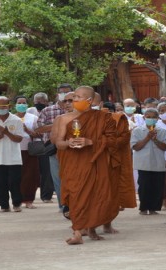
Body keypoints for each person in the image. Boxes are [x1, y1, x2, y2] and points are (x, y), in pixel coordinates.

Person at [53, 86, 118, 245]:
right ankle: (77, 232)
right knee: (76, 196)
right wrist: (68, 143)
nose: (74, 100)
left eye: (79, 97)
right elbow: (58, 143)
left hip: (94, 162)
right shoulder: (64, 119)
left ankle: (92, 228)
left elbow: (113, 141)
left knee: (95, 196)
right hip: (73, 164)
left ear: (89, 101)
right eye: (74, 96)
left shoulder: (103, 118)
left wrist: (91, 142)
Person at [0, 96, 24, 212]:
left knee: (14, 183)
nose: (1, 109)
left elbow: (19, 139)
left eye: (4, 106)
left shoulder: (16, 120)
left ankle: (17, 204)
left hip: (13, 158)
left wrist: (7, 133)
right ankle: (4, 206)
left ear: (9, 107)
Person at [36, 84, 72, 207]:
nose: (64, 96)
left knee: (72, 177)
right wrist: (59, 124)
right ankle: (63, 205)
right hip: (53, 149)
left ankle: (74, 203)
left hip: (72, 148)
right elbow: (39, 129)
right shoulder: (48, 110)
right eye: (62, 93)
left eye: (67, 93)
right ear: (57, 94)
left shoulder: (76, 110)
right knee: (57, 178)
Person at [131, 108, 166, 215]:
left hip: (158, 163)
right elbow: (135, 147)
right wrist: (147, 138)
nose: (151, 119)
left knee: (157, 186)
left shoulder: (163, 131)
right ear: (144, 118)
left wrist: (155, 140)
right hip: (143, 163)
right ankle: (143, 208)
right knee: (144, 186)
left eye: (153, 117)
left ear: (157, 119)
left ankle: (153, 208)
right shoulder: (137, 131)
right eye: (148, 117)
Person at [15, 95, 41, 209]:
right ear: (15, 105)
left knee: (30, 175)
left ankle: (29, 200)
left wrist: (27, 130)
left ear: (27, 104)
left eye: (23, 103)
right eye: (19, 103)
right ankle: (17, 200)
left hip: (29, 150)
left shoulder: (33, 118)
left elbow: (38, 134)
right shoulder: (11, 118)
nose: (21, 105)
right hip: (15, 150)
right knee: (16, 176)